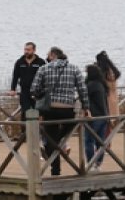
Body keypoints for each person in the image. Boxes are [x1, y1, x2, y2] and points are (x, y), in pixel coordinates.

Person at [30, 47, 89, 177]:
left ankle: (55, 170)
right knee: (68, 127)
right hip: (67, 109)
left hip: (49, 109)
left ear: (53, 55)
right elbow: (82, 90)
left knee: (50, 137)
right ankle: (55, 143)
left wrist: (43, 94)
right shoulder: (74, 69)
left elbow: (33, 89)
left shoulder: (44, 69)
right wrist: (86, 107)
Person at [83, 63, 110, 170]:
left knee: (89, 140)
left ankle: (90, 163)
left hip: (94, 116)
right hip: (104, 115)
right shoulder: (102, 85)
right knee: (100, 141)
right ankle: (98, 163)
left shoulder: (91, 85)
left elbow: (84, 98)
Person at [9, 42, 45, 121]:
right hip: (24, 92)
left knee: (39, 113)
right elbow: (15, 76)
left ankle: (39, 132)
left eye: (28, 50)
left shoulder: (41, 62)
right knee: (25, 112)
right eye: (25, 49)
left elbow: (45, 77)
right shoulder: (19, 62)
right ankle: (24, 132)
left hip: (37, 92)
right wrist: (13, 89)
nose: (26, 51)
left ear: (34, 50)